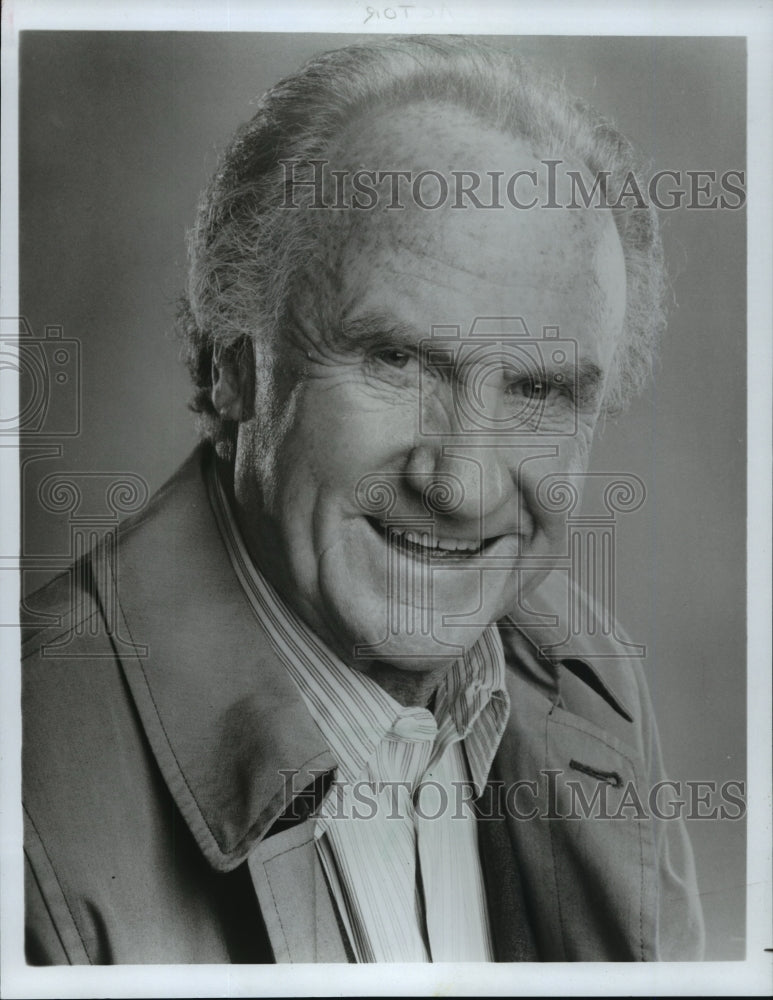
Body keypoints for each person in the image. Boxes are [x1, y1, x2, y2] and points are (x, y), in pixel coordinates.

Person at [22, 35, 704, 964]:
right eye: (396, 361)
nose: (460, 484)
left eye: (539, 392)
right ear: (237, 372)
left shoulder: (591, 687)